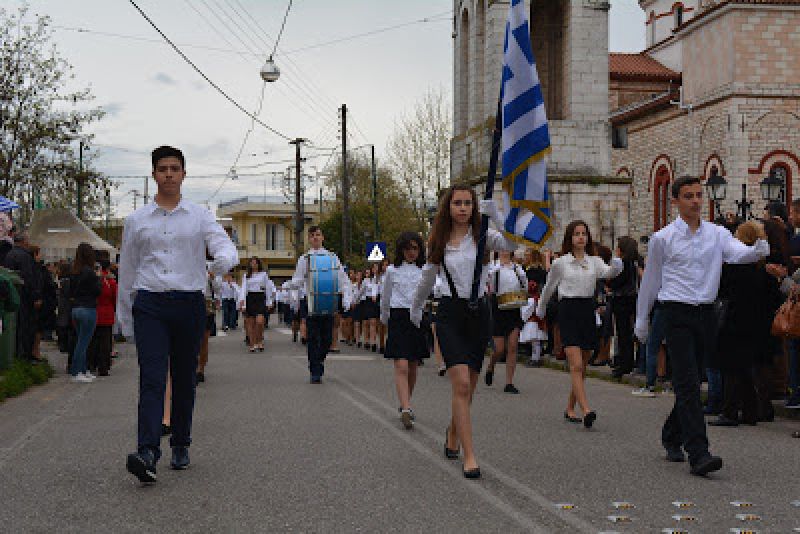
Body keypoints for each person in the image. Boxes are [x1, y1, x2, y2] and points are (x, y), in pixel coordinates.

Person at [635, 175, 769, 477]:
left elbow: (737, 253)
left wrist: (757, 250)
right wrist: (642, 319)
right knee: (686, 382)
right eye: (688, 196)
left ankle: (671, 433)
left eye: (698, 195)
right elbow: (651, 281)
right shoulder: (663, 239)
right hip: (675, 314)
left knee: (692, 383)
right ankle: (699, 453)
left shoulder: (716, 234)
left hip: (705, 314)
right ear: (675, 201)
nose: (696, 201)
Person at [118, 145, 237, 484]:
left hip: (188, 304)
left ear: (184, 174)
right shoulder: (136, 221)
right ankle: (147, 452)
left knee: (184, 379)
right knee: (152, 378)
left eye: (174, 168)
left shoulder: (199, 215)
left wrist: (223, 260)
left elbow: (222, 244)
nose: (168, 173)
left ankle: (181, 443)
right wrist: (124, 318)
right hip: (150, 305)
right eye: (162, 168)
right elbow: (127, 270)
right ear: (153, 175)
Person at [410, 185, 517, 479]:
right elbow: (426, 278)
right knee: (460, 385)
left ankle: (453, 432)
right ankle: (470, 456)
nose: (462, 208)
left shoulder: (483, 237)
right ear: (448, 207)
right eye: (457, 203)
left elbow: (513, 243)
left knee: (469, 386)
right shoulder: (439, 242)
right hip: (450, 314)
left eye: (468, 203)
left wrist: (496, 215)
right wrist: (416, 308)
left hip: (479, 313)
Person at [536, 221, 623, 429]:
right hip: (567, 311)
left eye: (584, 233)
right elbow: (549, 288)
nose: (581, 237)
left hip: (587, 311)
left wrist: (618, 264)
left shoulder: (594, 261)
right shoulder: (561, 263)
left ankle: (570, 407)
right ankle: (586, 410)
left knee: (582, 366)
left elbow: (608, 273)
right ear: (570, 238)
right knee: (575, 364)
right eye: (576, 234)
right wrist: (541, 308)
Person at [289, 226, 351, 383]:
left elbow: (342, 278)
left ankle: (319, 360)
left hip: (329, 301)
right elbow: (298, 279)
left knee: (327, 339)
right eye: (312, 235)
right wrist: (290, 287)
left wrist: (346, 298)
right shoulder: (304, 259)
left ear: (322, 238)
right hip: (310, 302)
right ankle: (315, 370)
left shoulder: (332, 257)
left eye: (318, 235)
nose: (315, 238)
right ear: (309, 239)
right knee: (312, 337)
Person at [380, 231, 428, 429]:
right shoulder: (392, 271)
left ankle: (405, 402)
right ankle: (406, 408)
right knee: (401, 365)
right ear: (401, 250)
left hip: (417, 318)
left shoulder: (426, 270)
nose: (411, 252)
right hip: (398, 317)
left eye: (415, 248)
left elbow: (435, 287)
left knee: (413, 364)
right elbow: (386, 295)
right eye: (407, 248)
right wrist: (384, 316)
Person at [485, 250, 527, 393]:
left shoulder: (517, 268)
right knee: (499, 349)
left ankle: (509, 382)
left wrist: (521, 276)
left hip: (513, 307)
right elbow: (489, 288)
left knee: (513, 346)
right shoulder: (492, 266)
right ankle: (491, 366)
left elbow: (524, 286)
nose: (505, 250)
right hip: (498, 308)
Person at [3, 232, 42, 362]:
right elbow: (29, 278)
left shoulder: (9, 255)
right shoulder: (25, 257)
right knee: (25, 327)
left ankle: (14, 354)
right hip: (25, 297)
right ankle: (23, 356)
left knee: (15, 326)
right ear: (24, 242)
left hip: (12, 295)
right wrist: (36, 296)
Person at [607, 236, 640, 380]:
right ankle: (627, 361)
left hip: (622, 300)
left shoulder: (622, 263)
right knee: (627, 332)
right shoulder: (635, 263)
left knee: (622, 332)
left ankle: (624, 363)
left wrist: (609, 283)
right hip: (631, 299)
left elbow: (617, 281)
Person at [69, 243, 101, 382]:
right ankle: (77, 372)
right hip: (88, 309)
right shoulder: (90, 272)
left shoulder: (74, 271)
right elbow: (97, 291)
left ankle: (83, 370)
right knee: (83, 343)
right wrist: (98, 277)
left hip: (76, 308)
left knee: (80, 341)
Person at [88, 258, 117, 376]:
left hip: (94, 312)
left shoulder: (93, 280)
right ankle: (103, 367)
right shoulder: (110, 282)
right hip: (107, 313)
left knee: (93, 341)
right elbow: (115, 298)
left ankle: (91, 364)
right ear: (108, 268)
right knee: (105, 342)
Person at [238, 257, 273, 353]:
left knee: (260, 322)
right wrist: (242, 301)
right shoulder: (246, 275)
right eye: (252, 263)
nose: (253, 265)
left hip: (260, 297)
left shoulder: (263, 275)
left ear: (258, 264)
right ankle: (252, 344)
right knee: (250, 323)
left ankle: (259, 340)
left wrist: (269, 301)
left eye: (255, 263)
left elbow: (268, 288)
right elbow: (243, 289)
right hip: (250, 298)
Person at [197, 269, 221, 383]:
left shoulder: (210, 268)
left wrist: (213, 278)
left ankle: (200, 369)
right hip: (188, 301)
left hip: (206, 303)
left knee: (204, 339)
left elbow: (217, 289)